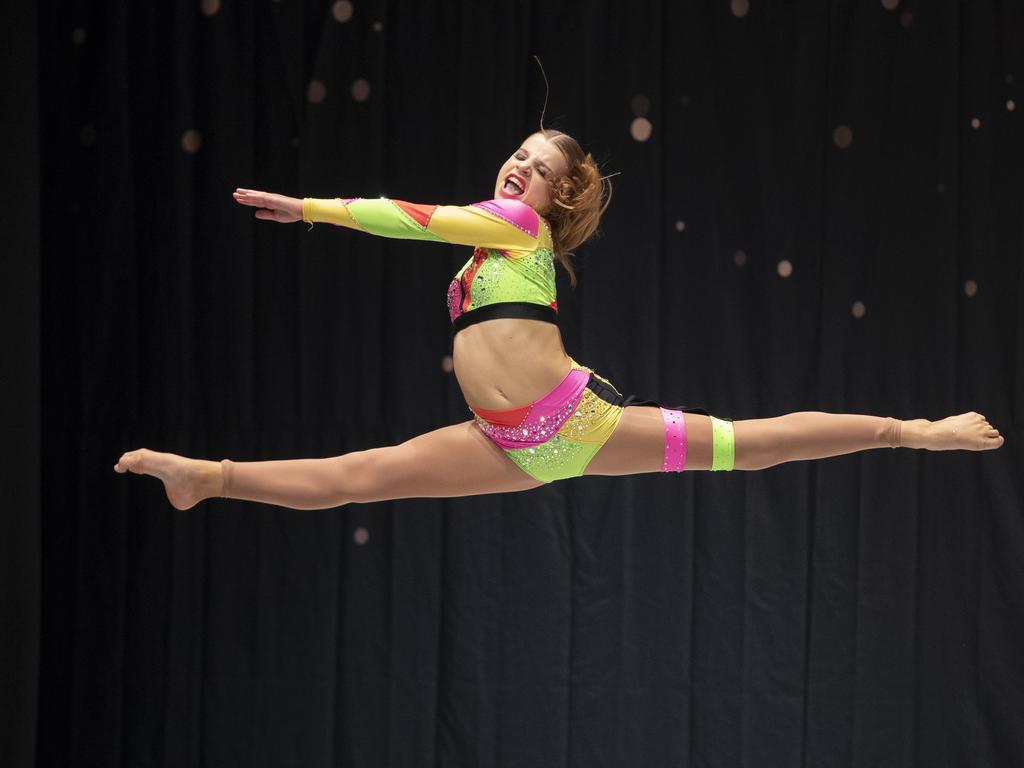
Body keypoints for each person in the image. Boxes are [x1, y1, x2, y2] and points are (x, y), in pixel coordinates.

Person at [113, 129, 1004, 510]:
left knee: (751, 442)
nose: (519, 169)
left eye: (537, 167)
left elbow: (413, 215)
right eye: (518, 155)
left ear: (555, 194)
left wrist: (309, 208)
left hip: (574, 422)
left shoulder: (519, 228)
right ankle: (208, 477)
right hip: (507, 443)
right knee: (363, 475)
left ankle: (911, 432)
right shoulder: (487, 255)